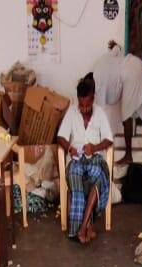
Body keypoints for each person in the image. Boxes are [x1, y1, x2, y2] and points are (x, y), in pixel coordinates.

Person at [57, 78, 113, 244]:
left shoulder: (100, 113)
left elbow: (109, 140)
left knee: (97, 174)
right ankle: (87, 225)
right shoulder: (72, 112)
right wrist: (69, 148)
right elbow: (61, 136)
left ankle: (81, 229)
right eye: (81, 106)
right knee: (74, 175)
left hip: (95, 158)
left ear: (93, 98)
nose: (83, 109)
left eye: (87, 105)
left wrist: (94, 148)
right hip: (77, 159)